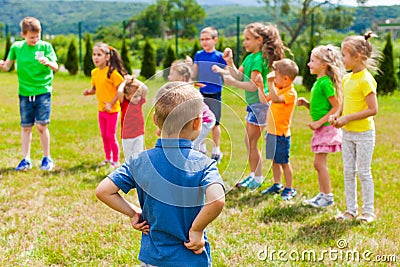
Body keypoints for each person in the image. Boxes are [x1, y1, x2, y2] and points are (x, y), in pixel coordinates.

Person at [95, 82, 225, 266]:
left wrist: (133, 213)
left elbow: (103, 191)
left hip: (153, 258)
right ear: (198, 122)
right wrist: (196, 230)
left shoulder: (138, 161)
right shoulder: (204, 164)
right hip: (190, 258)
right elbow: (217, 200)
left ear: (155, 120)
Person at [214, 23, 285, 190]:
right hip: (253, 105)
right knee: (249, 142)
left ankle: (257, 178)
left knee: (252, 142)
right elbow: (238, 74)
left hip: (260, 106)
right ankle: (254, 175)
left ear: (259, 40)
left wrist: (234, 83)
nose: (244, 42)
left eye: (247, 39)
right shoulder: (250, 57)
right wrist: (229, 61)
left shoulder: (258, 59)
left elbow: (253, 85)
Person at [329, 32, 379, 223]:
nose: (341, 59)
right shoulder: (346, 79)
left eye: (344, 55)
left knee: (363, 172)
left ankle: (368, 212)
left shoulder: (366, 80)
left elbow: (373, 109)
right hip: (347, 133)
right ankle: (351, 210)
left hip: (364, 134)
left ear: (357, 56)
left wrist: (348, 117)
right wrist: (338, 115)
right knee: (348, 171)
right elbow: (342, 102)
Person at [0, 17, 59, 171]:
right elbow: (7, 66)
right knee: (26, 127)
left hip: (43, 92)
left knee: (41, 125)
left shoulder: (46, 47)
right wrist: (2, 65)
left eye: (37, 36)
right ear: (23, 34)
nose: (35, 40)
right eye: (32, 37)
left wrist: (48, 62)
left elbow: (56, 67)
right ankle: (26, 159)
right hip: (24, 94)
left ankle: (47, 158)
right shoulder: (16, 47)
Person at [297, 45, 345, 208]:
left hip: (326, 129)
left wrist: (319, 122)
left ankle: (327, 196)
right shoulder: (319, 82)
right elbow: (322, 107)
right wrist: (307, 105)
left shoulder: (325, 83)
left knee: (318, 164)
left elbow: (336, 107)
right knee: (318, 163)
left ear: (324, 64)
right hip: (322, 128)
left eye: (313, 61)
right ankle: (324, 194)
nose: (309, 64)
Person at [83, 42, 127, 168]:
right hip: (101, 110)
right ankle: (108, 158)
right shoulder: (95, 72)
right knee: (104, 135)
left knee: (110, 135)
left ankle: (116, 160)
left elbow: (120, 90)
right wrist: (88, 92)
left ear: (107, 57)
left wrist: (111, 103)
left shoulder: (112, 73)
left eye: (99, 55)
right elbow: (95, 88)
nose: (95, 57)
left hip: (112, 111)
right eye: (94, 54)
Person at [186, 26, 227, 162]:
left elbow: (228, 73)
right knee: (201, 121)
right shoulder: (198, 54)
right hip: (201, 93)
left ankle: (216, 151)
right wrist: (189, 65)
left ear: (215, 40)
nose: (204, 42)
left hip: (215, 93)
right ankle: (201, 148)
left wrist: (220, 70)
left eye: (207, 39)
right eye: (202, 39)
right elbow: (194, 73)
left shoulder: (220, 56)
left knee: (215, 123)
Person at [261, 59, 298, 200]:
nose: (273, 79)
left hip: (281, 135)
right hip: (271, 133)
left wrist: (270, 83)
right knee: (274, 161)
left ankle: (289, 188)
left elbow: (276, 99)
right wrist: (262, 85)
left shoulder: (290, 93)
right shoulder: (279, 88)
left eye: (275, 77)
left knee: (283, 162)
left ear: (286, 79)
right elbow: (266, 99)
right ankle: (277, 184)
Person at [168, 60, 216, 154]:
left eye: (171, 74)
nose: (168, 77)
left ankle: (195, 163)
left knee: (190, 145)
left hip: (205, 120)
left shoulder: (185, 90)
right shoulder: (181, 87)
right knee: (188, 143)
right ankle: (198, 156)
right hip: (199, 120)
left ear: (180, 77)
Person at [117, 76, 148, 162]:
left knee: (138, 155)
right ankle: (130, 173)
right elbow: (119, 92)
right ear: (126, 96)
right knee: (129, 158)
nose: (138, 98)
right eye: (135, 96)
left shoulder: (139, 102)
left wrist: (134, 80)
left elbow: (145, 88)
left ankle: (138, 172)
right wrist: (125, 82)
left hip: (139, 134)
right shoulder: (124, 104)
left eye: (138, 96)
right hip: (127, 136)